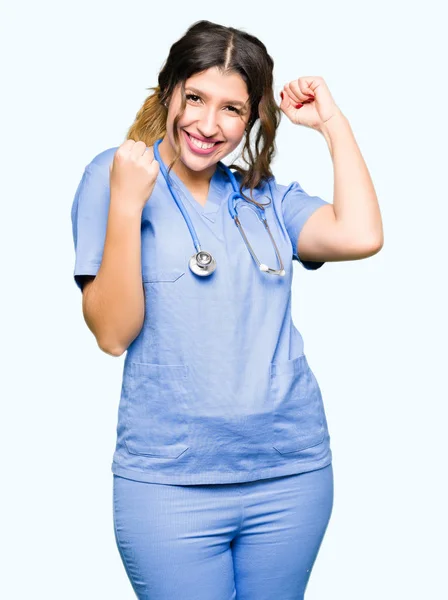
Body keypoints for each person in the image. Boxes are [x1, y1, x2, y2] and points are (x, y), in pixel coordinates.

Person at [71, 19, 383, 600]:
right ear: (169, 91)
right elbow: (113, 333)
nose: (207, 125)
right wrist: (124, 205)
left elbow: (361, 234)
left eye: (232, 110)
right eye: (195, 98)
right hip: (170, 485)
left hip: (291, 475)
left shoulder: (265, 198)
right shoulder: (114, 179)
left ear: (253, 119)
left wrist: (332, 125)